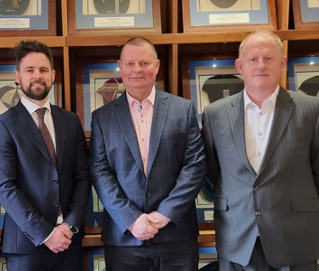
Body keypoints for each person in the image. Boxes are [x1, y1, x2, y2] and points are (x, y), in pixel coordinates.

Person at [202, 31, 319, 270]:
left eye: (269, 58)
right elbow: (212, 173)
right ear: (239, 65)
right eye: (253, 59)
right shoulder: (215, 113)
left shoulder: (312, 109)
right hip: (237, 237)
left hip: (294, 238)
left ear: (283, 63)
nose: (261, 65)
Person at [90, 37, 206, 270]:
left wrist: (164, 214)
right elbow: (100, 172)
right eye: (130, 64)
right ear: (120, 67)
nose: (137, 70)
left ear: (157, 66)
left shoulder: (184, 110)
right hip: (124, 237)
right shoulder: (102, 117)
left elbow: (194, 166)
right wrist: (131, 219)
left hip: (176, 234)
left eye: (144, 63)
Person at [0, 40, 91, 271]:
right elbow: (5, 187)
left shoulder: (70, 121)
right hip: (26, 245)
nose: (37, 76)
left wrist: (70, 226)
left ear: (53, 75)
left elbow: (83, 178)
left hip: (69, 241)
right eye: (30, 70)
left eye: (43, 70)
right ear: (17, 76)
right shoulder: (2, 125)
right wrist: (45, 233)